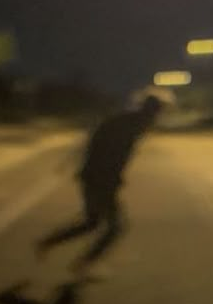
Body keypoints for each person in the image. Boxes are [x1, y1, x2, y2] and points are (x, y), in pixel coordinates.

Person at [35, 93, 163, 275]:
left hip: (93, 176)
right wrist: (112, 177)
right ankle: (83, 264)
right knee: (116, 227)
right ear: (151, 111)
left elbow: (99, 145)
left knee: (92, 222)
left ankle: (49, 243)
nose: (157, 118)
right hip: (99, 179)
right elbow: (114, 154)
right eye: (157, 112)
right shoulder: (132, 125)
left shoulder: (126, 121)